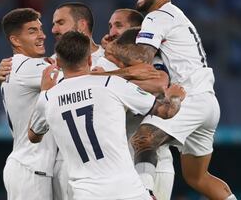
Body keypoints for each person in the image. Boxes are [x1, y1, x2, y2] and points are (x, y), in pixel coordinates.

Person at [118, 0, 236, 199]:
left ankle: (144, 194)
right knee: (197, 177)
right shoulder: (176, 15)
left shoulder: (157, 16)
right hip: (207, 102)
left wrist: (111, 54)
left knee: (143, 138)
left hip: (188, 97)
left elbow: (142, 58)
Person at [28, 31, 186, 200]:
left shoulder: (48, 97)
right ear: (89, 60)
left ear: (58, 63)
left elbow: (34, 136)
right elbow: (166, 112)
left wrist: (44, 91)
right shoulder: (111, 83)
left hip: (85, 194)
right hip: (128, 191)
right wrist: (175, 96)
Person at [97, 10, 176, 199]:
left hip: (155, 164)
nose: (113, 32)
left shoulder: (156, 59)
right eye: (110, 26)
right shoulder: (104, 61)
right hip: (119, 165)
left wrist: (106, 80)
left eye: (119, 25)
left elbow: (159, 84)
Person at [0, 8, 57, 200]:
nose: (42, 36)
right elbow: (79, 78)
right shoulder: (28, 66)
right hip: (31, 166)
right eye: (32, 31)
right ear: (15, 40)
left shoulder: (16, 66)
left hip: (27, 165)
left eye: (40, 29)